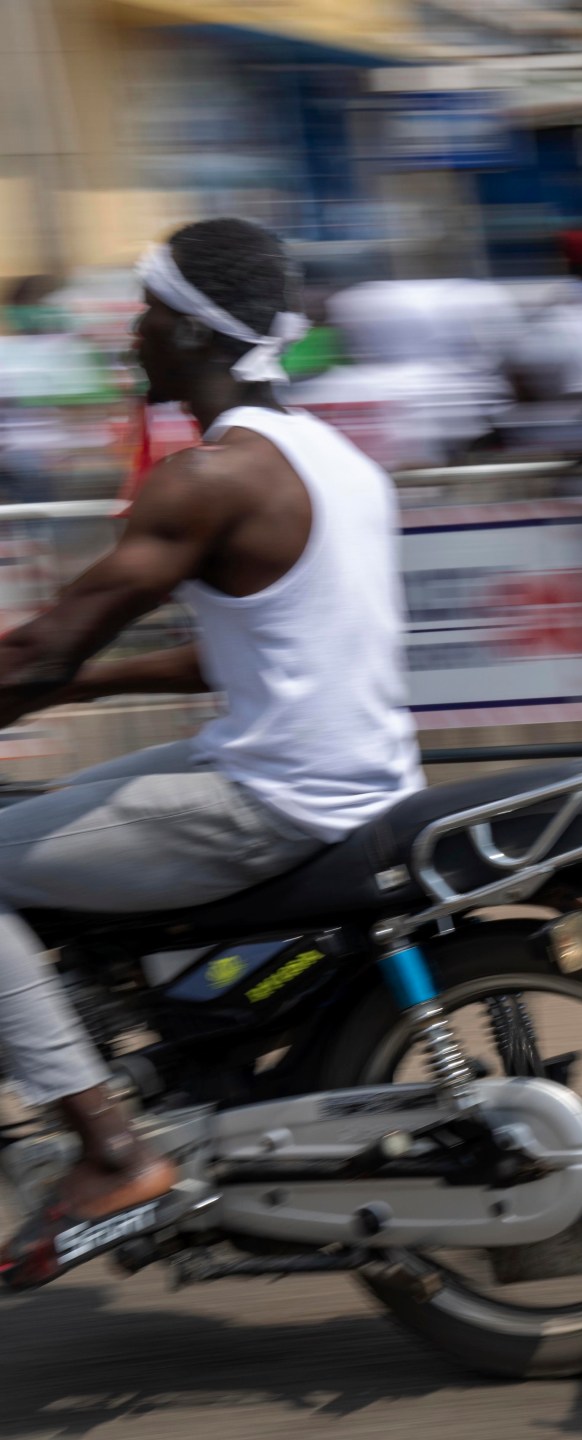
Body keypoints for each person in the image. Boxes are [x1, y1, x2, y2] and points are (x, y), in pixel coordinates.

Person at [0, 217, 423, 1290]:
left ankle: (109, 1150)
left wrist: (59, 671)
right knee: (34, 823)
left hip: (275, 799)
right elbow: (245, 651)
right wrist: (87, 683)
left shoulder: (208, 477)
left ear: (187, 330)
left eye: (143, 313)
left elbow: (44, 643)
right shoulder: (336, 461)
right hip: (351, 781)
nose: (129, 334)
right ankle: (148, 1063)